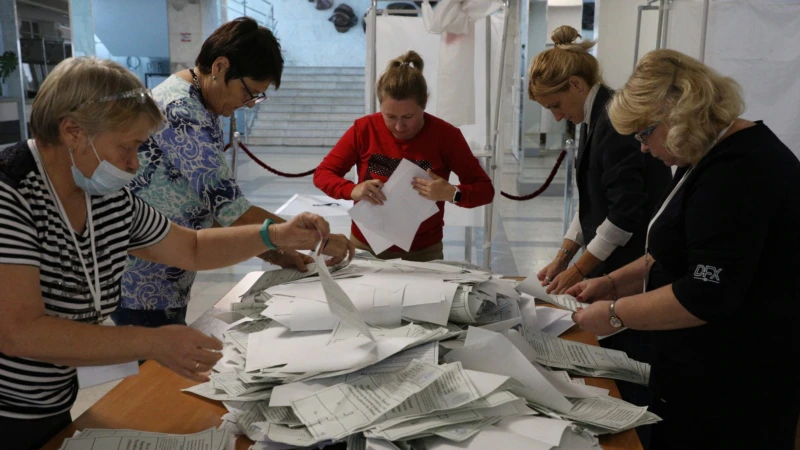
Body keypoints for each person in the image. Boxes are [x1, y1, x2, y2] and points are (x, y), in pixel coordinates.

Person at [0, 57, 349, 450]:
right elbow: (18, 331)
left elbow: (191, 247)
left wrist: (276, 234)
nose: (133, 164)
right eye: (126, 147)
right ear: (73, 132)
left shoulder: (105, 196)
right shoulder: (11, 193)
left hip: (50, 400)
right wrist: (151, 342)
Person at [569, 49, 800, 449]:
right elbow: (673, 249)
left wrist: (613, 314)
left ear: (678, 113)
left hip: (736, 385)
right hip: (702, 372)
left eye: (644, 133)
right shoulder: (711, 154)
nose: (642, 148)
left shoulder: (739, 171)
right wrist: (611, 283)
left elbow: (703, 294)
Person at [115, 17, 354, 328]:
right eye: (249, 92)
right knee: (156, 372)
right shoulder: (181, 111)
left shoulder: (202, 103)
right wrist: (318, 239)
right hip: (145, 282)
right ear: (220, 67)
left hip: (168, 272)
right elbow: (232, 209)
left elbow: (207, 204)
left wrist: (274, 252)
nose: (251, 104)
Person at [527, 26, 671, 418]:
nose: (557, 116)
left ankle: (631, 424)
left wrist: (577, 270)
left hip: (634, 263)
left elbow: (623, 215)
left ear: (576, 84)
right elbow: (591, 202)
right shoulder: (594, 119)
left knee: (627, 367)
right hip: (615, 260)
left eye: (556, 105)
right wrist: (562, 256)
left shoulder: (615, 121)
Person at [313, 51, 494, 261]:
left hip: (423, 251)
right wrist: (352, 189)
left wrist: (453, 193)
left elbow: (485, 190)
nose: (399, 126)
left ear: (424, 103)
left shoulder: (446, 136)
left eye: (409, 117)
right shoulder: (364, 129)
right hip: (366, 246)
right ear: (380, 105)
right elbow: (323, 174)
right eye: (390, 116)